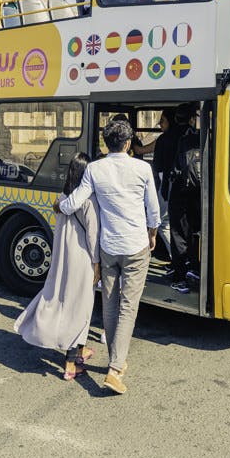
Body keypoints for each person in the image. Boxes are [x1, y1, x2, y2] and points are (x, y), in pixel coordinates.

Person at [56, 120, 160, 395]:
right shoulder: (142, 168)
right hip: (136, 246)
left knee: (110, 304)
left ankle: (117, 360)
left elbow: (75, 201)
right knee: (128, 306)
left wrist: (60, 205)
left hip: (109, 247)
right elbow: (153, 207)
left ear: (106, 144)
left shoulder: (95, 168)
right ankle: (115, 368)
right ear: (128, 144)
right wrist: (153, 233)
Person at [14, 153, 101, 381]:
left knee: (64, 301)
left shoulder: (62, 198)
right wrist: (98, 263)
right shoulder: (88, 201)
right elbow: (93, 236)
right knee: (80, 308)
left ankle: (80, 350)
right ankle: (71, 363)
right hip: (83, 261)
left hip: (64, 259)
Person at [167, 103, 201, 294]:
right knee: (195, 233)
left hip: (180, 192)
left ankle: (180, 276)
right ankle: (194, 268)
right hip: (198, 194)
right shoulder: (209, 137)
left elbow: (172, 167)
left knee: (179, 234)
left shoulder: (181, 139)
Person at [150, 107, 180, 261]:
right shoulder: (183, 136)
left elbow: (158, 168)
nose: (160, 124)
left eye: (162, 121)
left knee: (162, 222)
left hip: (167, 185)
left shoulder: (163, 139)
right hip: (182, 187)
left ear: (169, 121)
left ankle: (176, 259)